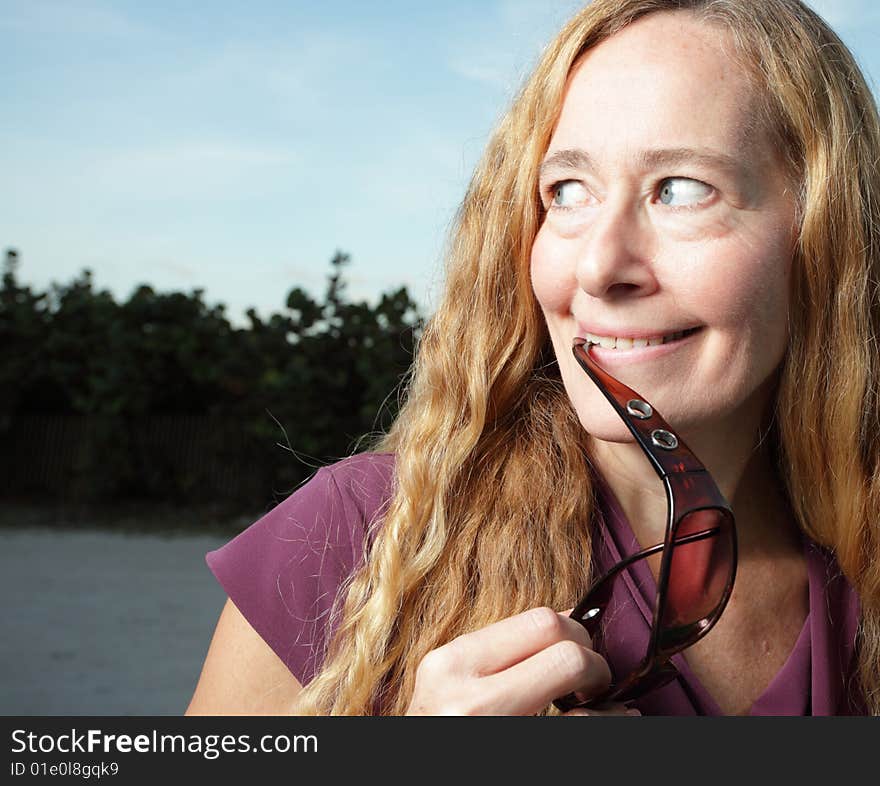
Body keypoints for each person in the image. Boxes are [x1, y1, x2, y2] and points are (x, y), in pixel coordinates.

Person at [185, 0, 880, 716]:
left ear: (826, 238)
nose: (597, 267)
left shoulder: (863, 586)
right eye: (567, 192)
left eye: (681, 190)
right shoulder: (365, 536)